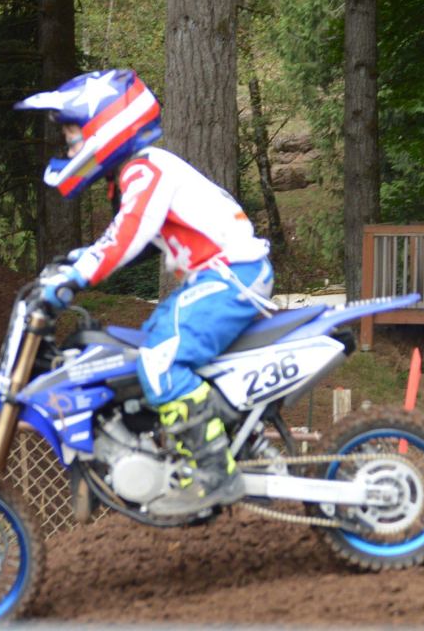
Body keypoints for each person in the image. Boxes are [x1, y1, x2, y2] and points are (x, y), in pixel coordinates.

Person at [15, 69, 275, 516]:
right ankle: (239, 437)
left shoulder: (145, 170)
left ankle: (214, 472)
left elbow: (125, 238)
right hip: (221, 276)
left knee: (160, 359)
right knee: (150, 341)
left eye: (73, 135)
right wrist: (75, 261)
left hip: (232, 274)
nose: (68, 147)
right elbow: (135, 240)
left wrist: (73, 276)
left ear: (106, 126)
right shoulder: (140, 172)